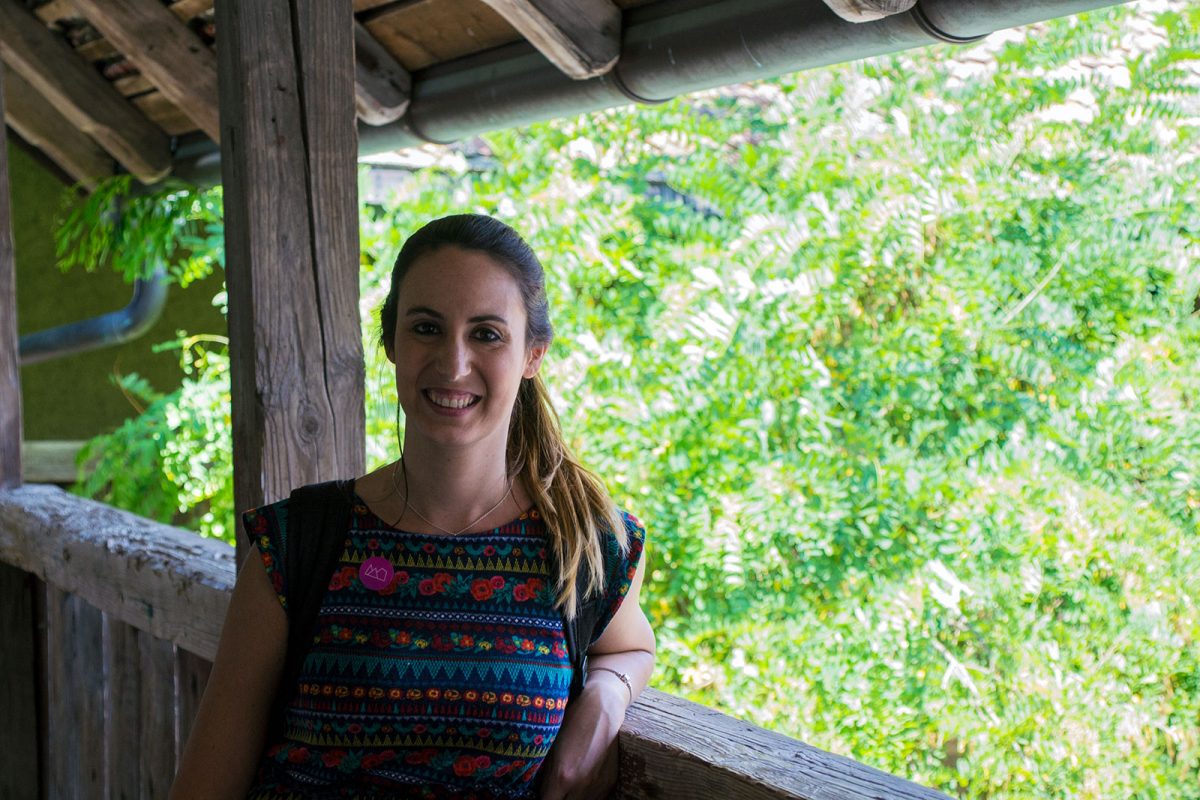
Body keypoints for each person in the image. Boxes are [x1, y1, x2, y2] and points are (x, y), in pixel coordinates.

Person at [170, 214, 655, 799]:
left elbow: (629, 645)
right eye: (426, 327)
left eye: (487, 334)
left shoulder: (582, 541)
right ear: (391, 343)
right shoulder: (299, 541)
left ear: (533, 354)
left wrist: (606, 696)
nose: (453, 364)